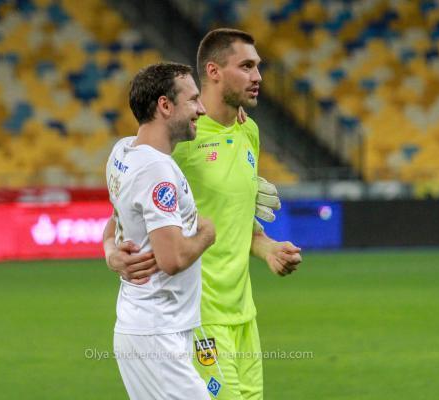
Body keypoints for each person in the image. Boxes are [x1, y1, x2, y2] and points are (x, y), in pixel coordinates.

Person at [104, 29, 302, 399]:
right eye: (247, 66)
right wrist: (113, 252)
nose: (258, 76)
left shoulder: (249, 131)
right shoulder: (180, 139)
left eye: (257, 66)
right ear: (214, 71)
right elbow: (126, 209)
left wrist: (268, 248)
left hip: (242, 313)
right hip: (198, 316)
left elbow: (236, 223)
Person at [103, 62, 215, 400]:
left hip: (152, 327)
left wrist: (110, 251)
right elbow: (172, 259)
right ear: (165, 105)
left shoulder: (123, 151)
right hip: (156, 331)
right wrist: (206, 234)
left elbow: (115, 220)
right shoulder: (156, 170)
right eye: (193, 99)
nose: (201, 109)